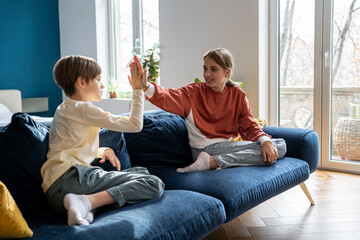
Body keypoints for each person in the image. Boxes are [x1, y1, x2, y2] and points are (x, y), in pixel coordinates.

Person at [40, 55, 165, 226]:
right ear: (82, 82)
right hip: (72, 178)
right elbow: (135, 124)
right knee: (153, 183)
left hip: (55, 192)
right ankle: (86, 203)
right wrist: (137, 90)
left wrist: (102, 150)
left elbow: (68, 144)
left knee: (141, 172)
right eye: (98, 79)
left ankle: (85, 210)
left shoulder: (63, 109)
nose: (103, 85)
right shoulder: (83, 108)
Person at [136, 48, 286, 173]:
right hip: (202, 150)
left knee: (279, 145)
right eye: (205, 68)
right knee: (278, 146)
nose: (207, 74)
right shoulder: (194, 92)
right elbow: (169, 96)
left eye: (213, 69)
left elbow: (249, 124)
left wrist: (265, 140)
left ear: (227, 72)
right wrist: (146, 87)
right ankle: (208, 162)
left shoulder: (237, 94)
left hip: (225, 148)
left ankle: (213, 163)